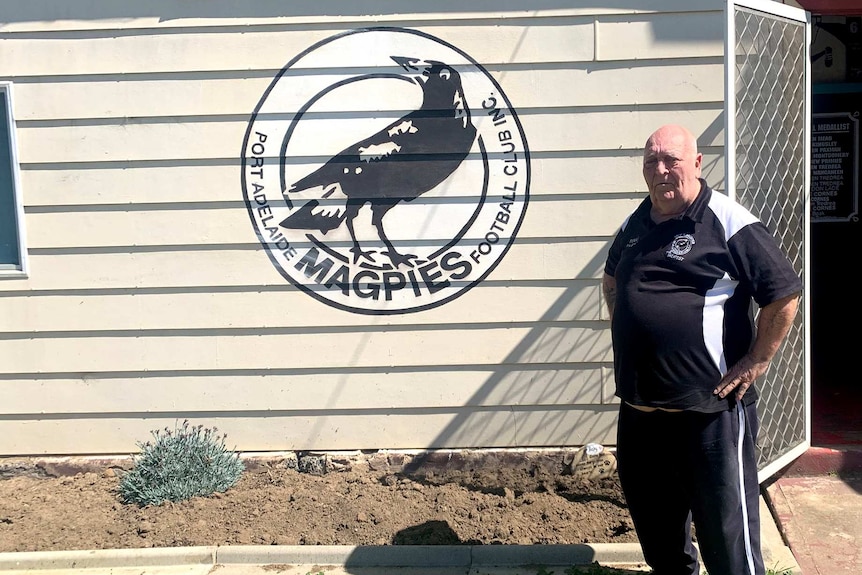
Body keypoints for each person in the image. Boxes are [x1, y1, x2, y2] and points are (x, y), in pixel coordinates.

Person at [602, 124, 801, 575]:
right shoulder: (635, 223)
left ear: (696, 163)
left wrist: (757, 360)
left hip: (710, 414)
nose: (661, 170)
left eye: (671, 159)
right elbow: (612, 279)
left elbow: (783, 295)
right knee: (659, 536)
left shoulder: (730, 222)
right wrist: (627, 324)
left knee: (727, 538)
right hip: (640, 413)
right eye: (652, 161)